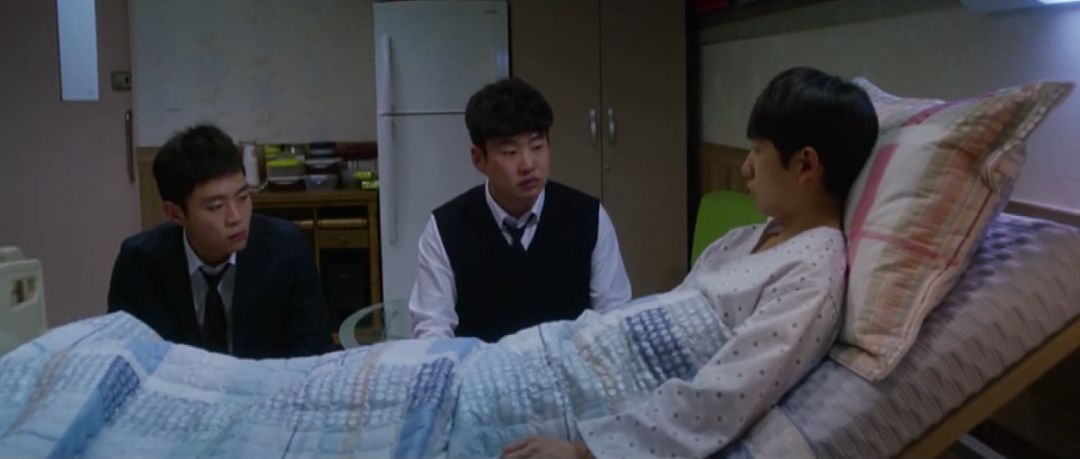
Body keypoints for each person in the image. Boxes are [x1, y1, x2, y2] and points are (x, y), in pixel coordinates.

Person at [499, 66, 879, 458]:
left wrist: (583, 452)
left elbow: (724, 396)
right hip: (571, 353)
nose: (745, 168)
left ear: (805, 165)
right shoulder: (745, 237)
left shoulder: (812, 275)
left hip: (594, 400)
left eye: (757, 151)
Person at [409, 77, 632, 342]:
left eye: (537, 147)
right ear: (479, 159)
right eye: (510, 152)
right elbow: (432, 333)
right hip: (482, 368)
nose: (528, 164)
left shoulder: (589, 217)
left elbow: (615, 320)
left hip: (570, 365)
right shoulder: (446, 228)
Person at [107, 124, 333, 359]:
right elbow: (123, 355)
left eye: (243, 197)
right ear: (175, 213)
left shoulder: (287, 248)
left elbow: (314, 351)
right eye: (216, 206)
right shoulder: (139, 261)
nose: (236, 218)